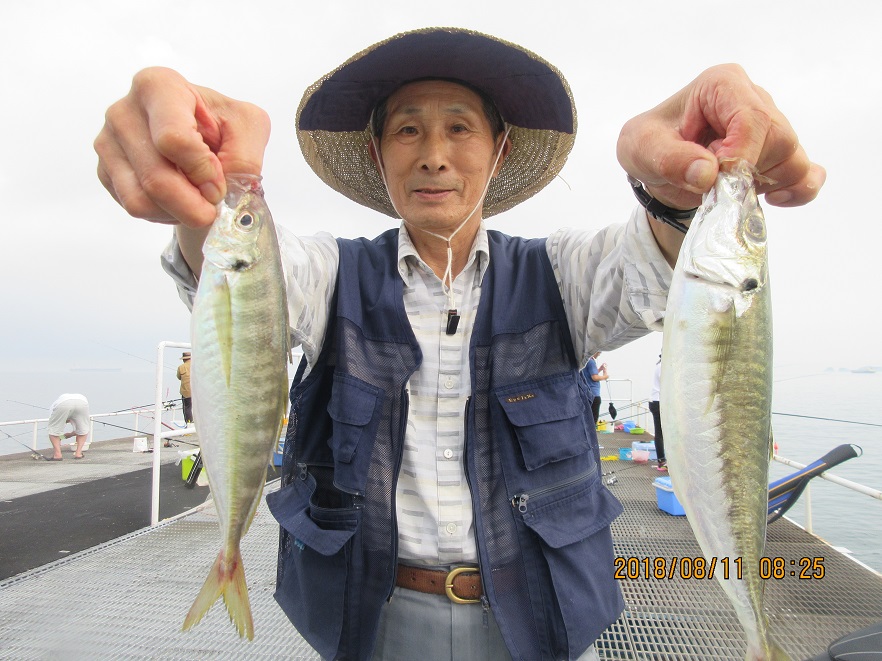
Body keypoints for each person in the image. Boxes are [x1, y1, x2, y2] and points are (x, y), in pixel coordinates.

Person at [94, 27, 824, 661]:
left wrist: (678, 189)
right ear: (378, 154)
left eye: (460, 129)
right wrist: (204, 187)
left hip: (541, 617)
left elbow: (653, 260)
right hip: (369, 618)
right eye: (408, 130)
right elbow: (241, 279)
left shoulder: (563, 274)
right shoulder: (328, 276)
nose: (435, 155)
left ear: (499, 151)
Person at [46, 393, 90, 460]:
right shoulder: (74, 417)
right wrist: (68, 435)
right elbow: (79, 432)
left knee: (53, 430)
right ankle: (78, 453)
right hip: (82, 402)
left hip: (63, 403)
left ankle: (57, 454)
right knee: (83, 429)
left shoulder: (54, 407)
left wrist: (62, 437)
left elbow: (55, 432)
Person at [649, 353, 667, 471]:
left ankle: (663, 459)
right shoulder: (662, 367)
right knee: (660, 433)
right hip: (659, 402)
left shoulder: (660, 366)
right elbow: (666, 384)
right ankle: (661, 460)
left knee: (661, 432)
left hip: (656, 401)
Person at [585, 351, 609, 424]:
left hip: (587, 393)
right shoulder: (591, 362)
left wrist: (600, 369)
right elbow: (594, 377)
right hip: (594, 394)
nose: (599, 354)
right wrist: (605, 376)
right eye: (599, 352)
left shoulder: (585, 361)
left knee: (587, 418)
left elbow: (590, 374)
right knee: (593, 419)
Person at [177, 351, 193, 425]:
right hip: (197, 391)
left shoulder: (181, 367)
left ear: (183, 359)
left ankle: (189, 423)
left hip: (186, 392)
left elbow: (179, 377)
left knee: (187, 408)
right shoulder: (196, 366)